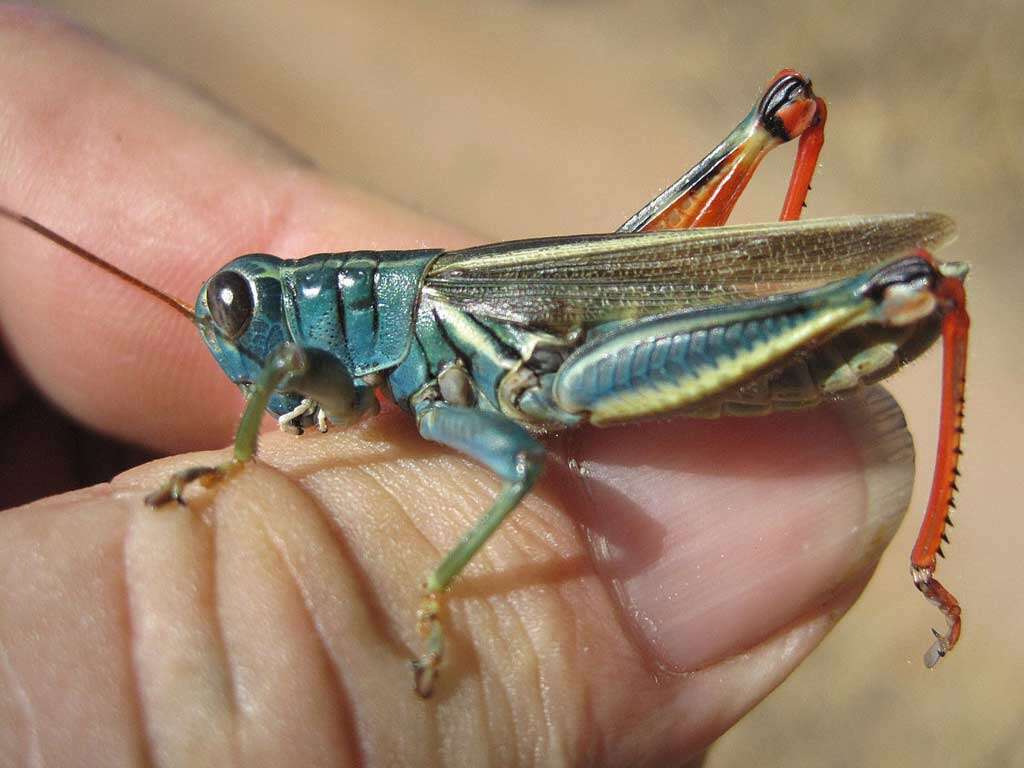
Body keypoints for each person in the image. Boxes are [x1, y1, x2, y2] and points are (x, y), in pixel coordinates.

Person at [0, 10, 915, 765]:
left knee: (801, 153)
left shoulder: (398, 336)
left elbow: (512, 462)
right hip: (589, 350)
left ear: (319, 308)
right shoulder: (375, 360)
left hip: (608, 360)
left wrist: (428, 587)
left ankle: (812, 308)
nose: (270, 367)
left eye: (249, 322)